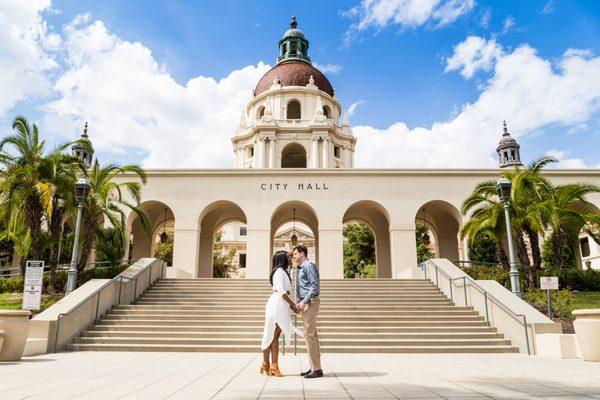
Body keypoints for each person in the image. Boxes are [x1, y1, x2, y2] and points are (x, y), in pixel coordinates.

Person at [260, 250, 304, 377]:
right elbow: (282, 292)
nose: (291, 258)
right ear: (283, 259)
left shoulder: (283, 272)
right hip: (276, 305)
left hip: (280, 305)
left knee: (274, 335)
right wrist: (293, 305)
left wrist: (291, 306)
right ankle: (271, 364)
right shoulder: (279, 272)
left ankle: (268, 364)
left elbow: (284, 294)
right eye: (289, 257)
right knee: (271, 335)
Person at [293, 244, 323, 379]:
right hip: (307, 302)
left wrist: (304, 301)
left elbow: (314, 286)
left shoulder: (309, 266)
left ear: (302, 253)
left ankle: (316, 369)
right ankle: (315, 367)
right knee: (311, 335)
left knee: (309, 335)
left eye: (295, 254)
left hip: (310, 302)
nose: (294, 256)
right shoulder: (302, 267)